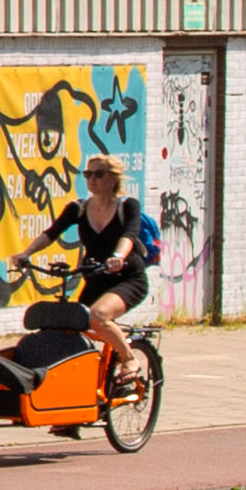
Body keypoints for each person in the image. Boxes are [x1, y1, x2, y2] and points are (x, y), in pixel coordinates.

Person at [47, 156, 157, 392]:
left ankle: (129, 359)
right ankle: (78, 395)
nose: (92, 180)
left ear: (112, 179)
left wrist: (118, 257)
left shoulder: (127, 206)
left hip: (128, 278)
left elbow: (129, 234)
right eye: (88, 174)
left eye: (99, 174)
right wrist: (24, 255)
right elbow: (51, 233)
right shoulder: (78, 208)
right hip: (96, 279)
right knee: (68, 328)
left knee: (99, 316)